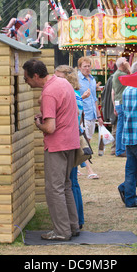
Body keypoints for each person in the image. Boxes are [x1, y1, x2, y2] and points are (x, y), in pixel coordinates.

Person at [23, 58, 80, 241]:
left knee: (54, 189)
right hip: (71, 142)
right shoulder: (62, 82)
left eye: (26, 77)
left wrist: (39, 123)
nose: (25, 81)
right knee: (65, 186)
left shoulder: (48, 93)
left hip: (57, 145)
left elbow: (50, 128)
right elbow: (63, 110)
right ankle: (72, 226)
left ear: (36, 76)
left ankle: (62, 232)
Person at [54, 65, 85, 228]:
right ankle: (77, 219)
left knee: (71, 182)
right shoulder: (75, 93)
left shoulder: (71, 94)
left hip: (69, 140)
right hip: (73, 139)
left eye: (58, 76)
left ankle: (77, 220)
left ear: (68, 76)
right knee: (72, 182)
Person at [117, 61, 137, 208]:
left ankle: (130, 198)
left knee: (131, 168)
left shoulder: (127, 89)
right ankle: (126, 189)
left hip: (129, 135)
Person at [77, 56, 103, 179]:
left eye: (88, 66)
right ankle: (89, 170)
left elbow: (94, 98)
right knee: (84, 142)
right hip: (82, 113)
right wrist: (82, 97)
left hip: (92, 113)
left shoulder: (92, 80)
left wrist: (99, 116)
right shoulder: (76, 79)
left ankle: (75, 166)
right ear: (79, 68)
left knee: (87, 140)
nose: (87, 69)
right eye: (84, 67)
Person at [111, 57, 131, 157]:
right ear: (123, 64)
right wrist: (129, 67)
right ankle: (120, 150)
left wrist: (114, 105)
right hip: (122, 102)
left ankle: (118, 149)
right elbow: (133, 78)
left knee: (120, 126)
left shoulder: (115, 75)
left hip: (118, 102)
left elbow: (113, 92)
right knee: (122, 127)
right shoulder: (121, 75)